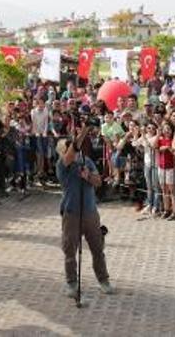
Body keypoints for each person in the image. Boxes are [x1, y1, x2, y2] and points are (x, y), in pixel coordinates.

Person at [56, 126, 114, 298]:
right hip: (71, 212)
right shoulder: (62, 165)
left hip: (90, 212)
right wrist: (81, 134)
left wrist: (88, 176)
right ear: (62, 152)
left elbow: (98, 182)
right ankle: (72, 283)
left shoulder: (86, 161)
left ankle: (103, 280)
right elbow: (73, 150)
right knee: (70, 250)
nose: (74, 148)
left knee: (97, 248)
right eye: (68, 146)